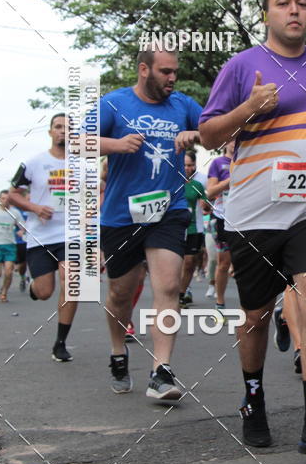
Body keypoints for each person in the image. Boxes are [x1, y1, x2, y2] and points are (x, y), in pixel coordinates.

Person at [199, 0, 306, 459]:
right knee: (257, 316)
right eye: (283, 3)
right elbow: (207, 135)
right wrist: (247, 107)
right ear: (267, 13)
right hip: (254, 211)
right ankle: (253, 399)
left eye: (303, 4)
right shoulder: (242, 66)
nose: (295, 11)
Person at [98, 48, 201, 398]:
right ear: (144, 70)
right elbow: (76, 143)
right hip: (121, 215)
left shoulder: (184, 105)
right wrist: (115, 143)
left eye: (175, 72)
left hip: (167, 211)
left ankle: (162, 371)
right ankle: (117, 349)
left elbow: (216, 131)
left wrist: (196, 136)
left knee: (169, 287)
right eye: (166, 72)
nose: (173, 78)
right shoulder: (114, 103)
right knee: (120, 293)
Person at [8, 114, 79, 361]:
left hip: (71, 235)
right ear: (50, 132)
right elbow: (12, 195)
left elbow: (100, 189)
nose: (63, 132)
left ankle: (60, 342)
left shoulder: (82, 164)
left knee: (71, 282)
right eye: (58, 127)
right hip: (40, 236)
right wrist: (35, 208)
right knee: (45, 291)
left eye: (68, 128)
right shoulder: (33, 163)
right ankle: (34, 288)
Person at [206, 140, 235, 313]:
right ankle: (220, 302)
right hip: (223, 218)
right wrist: (231, 179)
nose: (234, 143)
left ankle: (251, 307)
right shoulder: (218, 163)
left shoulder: (247, 160)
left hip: (246, 218)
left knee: (246, 262)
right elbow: (210, 192)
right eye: (232, 139)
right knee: (224, 263)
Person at [179, 149, 210, 307]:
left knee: (189, 262)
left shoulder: (197, 184)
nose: (188, 168)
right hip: (174, 228)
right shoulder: (172, 181)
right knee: (176, 263)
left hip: (193, 228)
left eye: (191, 165)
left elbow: (207, 206)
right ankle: (172, 292)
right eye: (185, 165)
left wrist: (206, 205)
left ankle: (181, 294)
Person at [0, 190, 25, 302]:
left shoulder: (15, 212)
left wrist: (22, 231)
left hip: (10, 245)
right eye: (2, 198)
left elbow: (23, 225)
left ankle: (4, 293)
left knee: (8, 271)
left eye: (7, 199)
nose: (5, 201)